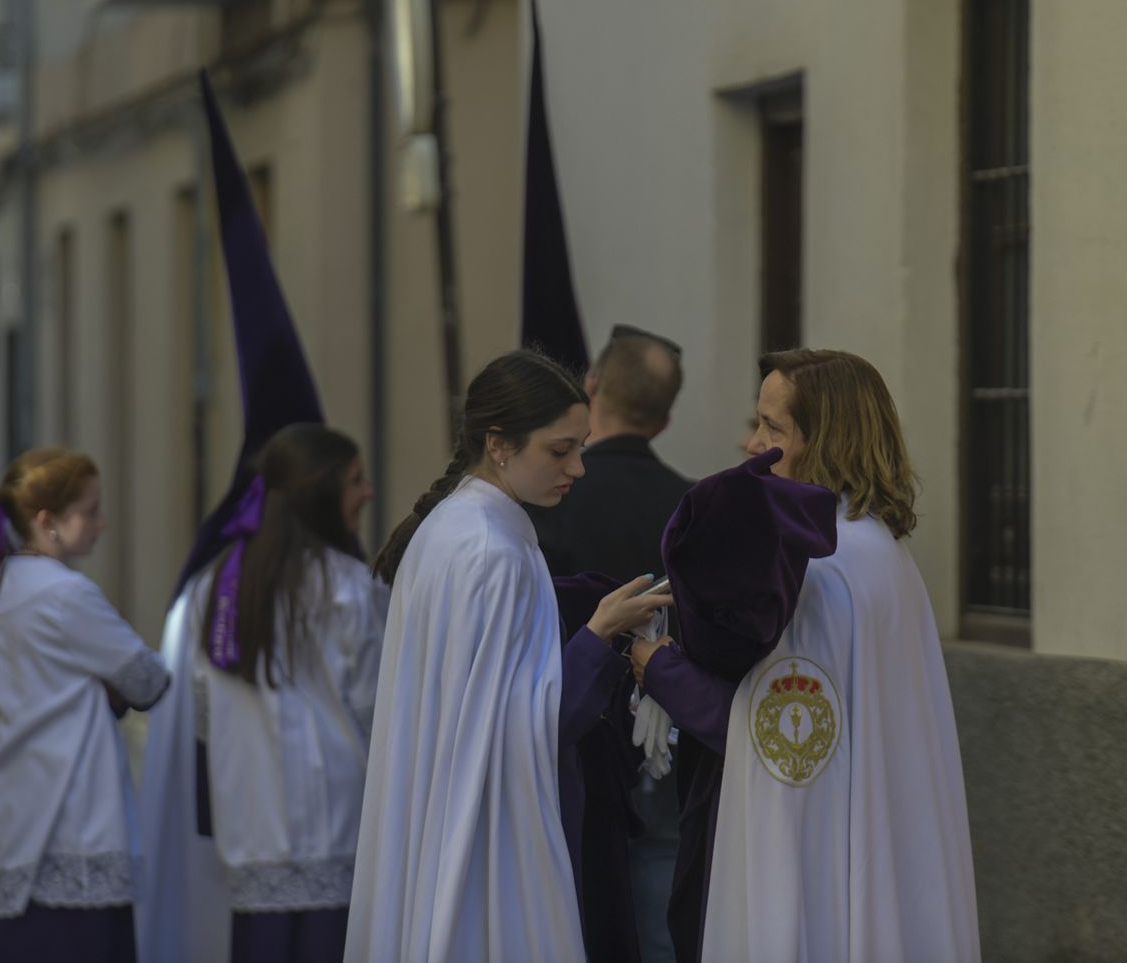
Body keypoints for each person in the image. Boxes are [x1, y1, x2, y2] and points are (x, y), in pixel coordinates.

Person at [633, 349, 980, 961]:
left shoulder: (813, 566)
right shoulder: (880, 547)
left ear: (826, 442)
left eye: (773, 429)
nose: (751, 444)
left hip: (816, 869)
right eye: (756, 422)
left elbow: (786, 745)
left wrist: (657, 666)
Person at [345, 349, 672, 962]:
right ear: (498, 443)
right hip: (488, 839)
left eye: (581, 446)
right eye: (559, 450)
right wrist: (599, 636)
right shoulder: (491, 550)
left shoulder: (457, 524)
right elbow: (530, 731)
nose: (577, 467)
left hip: (448, 819)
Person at [190, 425, 388, 962]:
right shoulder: (348, 587)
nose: (367, 492)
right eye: (355, 480)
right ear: (319, 493)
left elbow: (203, 716)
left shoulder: (216, 587)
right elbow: (379, 713)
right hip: (339, 824)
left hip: (253, 822)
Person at [0, 447, 169, 961]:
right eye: (91, 510)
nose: (101, 523)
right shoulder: (65, 594)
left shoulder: (0, 585)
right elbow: (148, 680)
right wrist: (108, 686)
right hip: (70, 814)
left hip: (11, 808)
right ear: (47, 521)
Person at [527, 324, 692, 963]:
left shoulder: (550, 499)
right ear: (666, 419)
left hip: (574, 721)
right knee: (659, 870)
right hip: (669, 725)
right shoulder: (690, 502)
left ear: (590, 387)